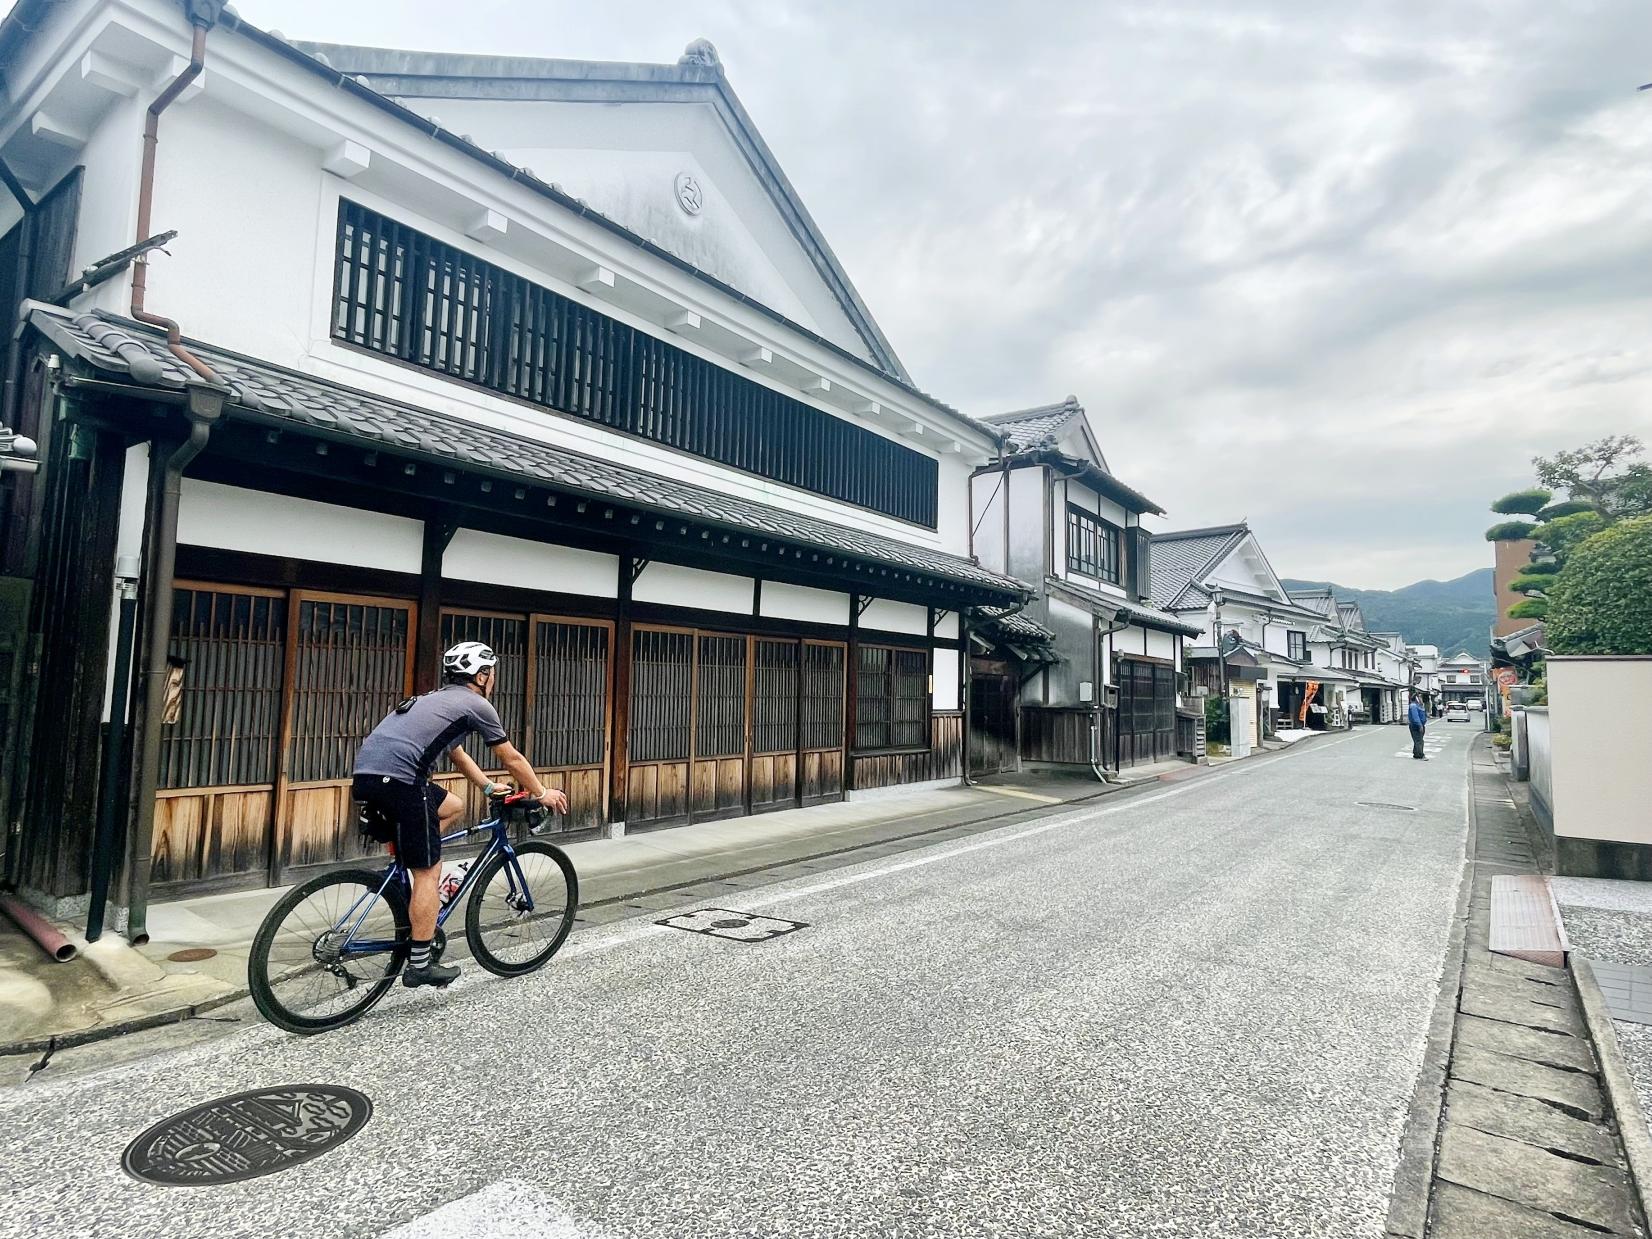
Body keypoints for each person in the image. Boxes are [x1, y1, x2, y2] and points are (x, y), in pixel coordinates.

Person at [352, 641, 569, 988]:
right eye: (492, 673)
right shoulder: (476, 704)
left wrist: (485, 787)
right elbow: (511, 758)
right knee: (428, 871)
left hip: (367, 777)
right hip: (403, 782)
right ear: (482, 676)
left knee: (453, 805)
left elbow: (455, 752)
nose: (494, 679)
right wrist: (542, 794)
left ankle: (409, 874)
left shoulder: (433, 699)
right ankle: (420, 964)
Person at [1408, 693, 1428, 760]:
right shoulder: (1413, 706)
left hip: (1420, 725)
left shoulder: (1419, 705)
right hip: (1416, 725)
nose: (1421, 699)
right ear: (1416, 698)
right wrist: (1419, 725)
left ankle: (1416, 753)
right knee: (1419, 741)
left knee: (1418, 740)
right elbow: (1415, 717)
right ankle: (1420, 754)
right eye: (1419, 697)